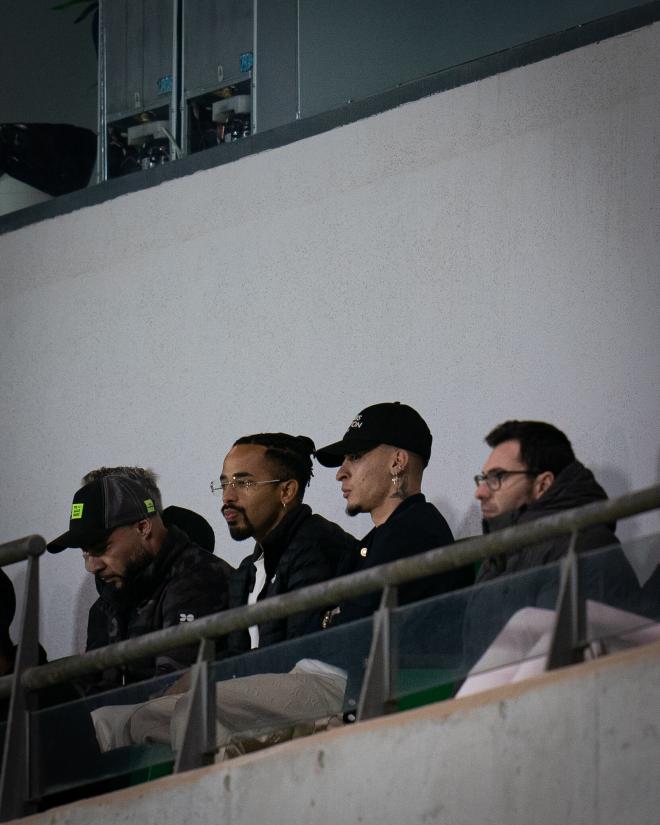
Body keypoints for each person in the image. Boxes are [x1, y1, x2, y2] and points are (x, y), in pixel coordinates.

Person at [91, 432, 356, 751]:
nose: (227, 497)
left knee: (196, 709)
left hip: (313, 685)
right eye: (224, 483)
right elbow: (233, 653)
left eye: (242, 483)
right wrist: (195, 680)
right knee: (109, 720)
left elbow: (298, 650)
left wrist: (209, 678)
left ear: (286, 490)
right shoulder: (247, 570)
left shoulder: (316, 543)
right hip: (257, 689)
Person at [466, 420, 640, 662]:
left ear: (543, 485)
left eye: (498, 477)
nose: (480, 492)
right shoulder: (498, 556)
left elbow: (557, 664)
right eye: (482, 478)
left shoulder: (584, 545)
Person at [47, 474, 231, 691]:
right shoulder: (105, 604)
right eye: (85, 552)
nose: (92, 566)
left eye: (101, 548)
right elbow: (93, 691)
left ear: (143, 527)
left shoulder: (200, 578)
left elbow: (174, 691)